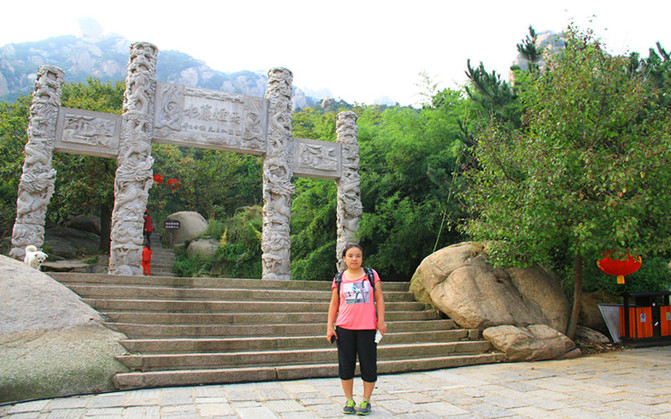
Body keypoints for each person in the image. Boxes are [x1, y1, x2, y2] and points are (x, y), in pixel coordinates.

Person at [326, 243, 386, 416]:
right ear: (344, 258)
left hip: (367, 327)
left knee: (368, 365)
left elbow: (379, 298)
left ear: (362, 258)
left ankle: (366, 400)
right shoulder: (339, 278)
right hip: (344, 327)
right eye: (350, 255)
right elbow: (334, 303)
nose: (354, 259)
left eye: (358, 255)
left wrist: (381, 321)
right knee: (346, 365)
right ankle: (349, 400)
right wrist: (330, 326)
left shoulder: (371, 275)